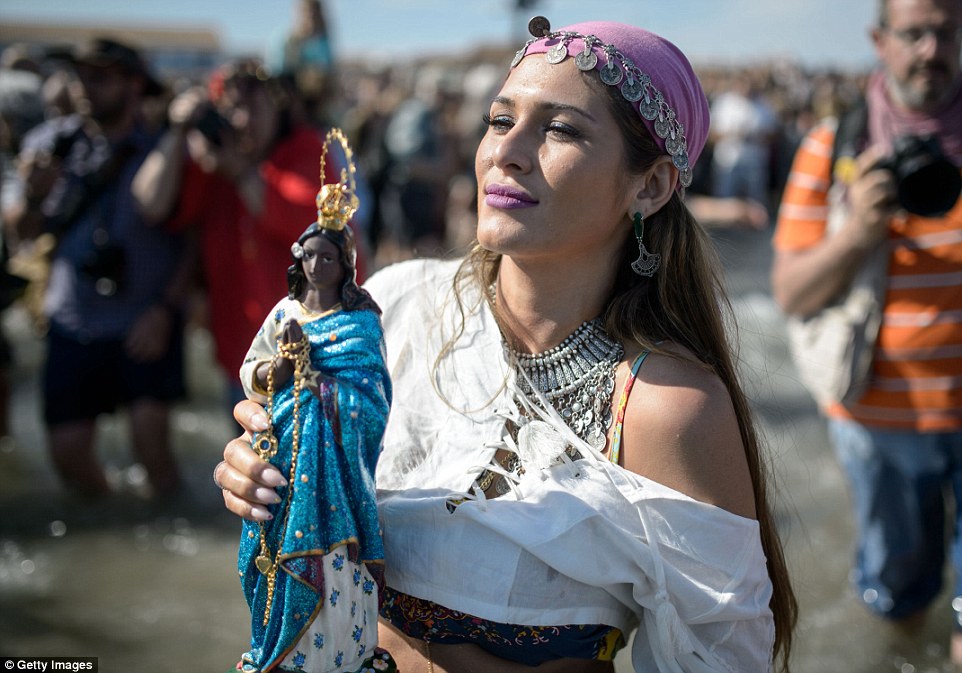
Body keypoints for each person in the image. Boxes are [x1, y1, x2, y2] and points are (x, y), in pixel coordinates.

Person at [217, 17, 796, 672]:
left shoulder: (667, 407)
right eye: (500, 120)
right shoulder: (395, 306)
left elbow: (719, 660)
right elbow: (302, 490)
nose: (506, 152)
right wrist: (267, 468)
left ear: (651, 185)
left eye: (560, 129)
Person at [771, 0, 962, 662]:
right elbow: (792, 291)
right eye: (913, 33)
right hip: (877, 419)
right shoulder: (836, 144)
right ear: (880, 41)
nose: (931, 50)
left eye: (946, 31)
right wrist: (855, 233)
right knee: (897, 593)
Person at [2, 37, 190, 499]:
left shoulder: (163, 148)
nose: (86, 86)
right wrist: (32, 196)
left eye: (101, 76)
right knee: (68, 453)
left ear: (133, 85)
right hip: (73, 318)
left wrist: (166, 309)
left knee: (153, 448)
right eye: (80, 75)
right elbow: (20, 235)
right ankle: (111, 525)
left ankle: (165, 528)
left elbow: (195, 241)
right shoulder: (50, 145)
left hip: (145, 319)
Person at [236, 131, 393, 672]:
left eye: (329, 257)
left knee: (333, 566)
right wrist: (276, 372)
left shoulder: (361, 321)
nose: (317, 265)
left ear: (346, 264)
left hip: (338, 478)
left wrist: (319, 389)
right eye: (310, 256)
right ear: (298, 259)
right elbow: (249, 373)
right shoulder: (283, 314)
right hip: (281, 453)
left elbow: (373, 400)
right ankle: (278, 647)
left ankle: (340, 655)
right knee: (270, 550)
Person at [133, 58, 364, 410]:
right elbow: (149, 203)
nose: (241, 121)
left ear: (278, 108)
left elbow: (313, 226)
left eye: (253, 107)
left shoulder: (305, 148)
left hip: (313, 354)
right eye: (231, 109)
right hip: (243, 357)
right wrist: (178, 130)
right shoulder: (214, 161)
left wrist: (239, 171)